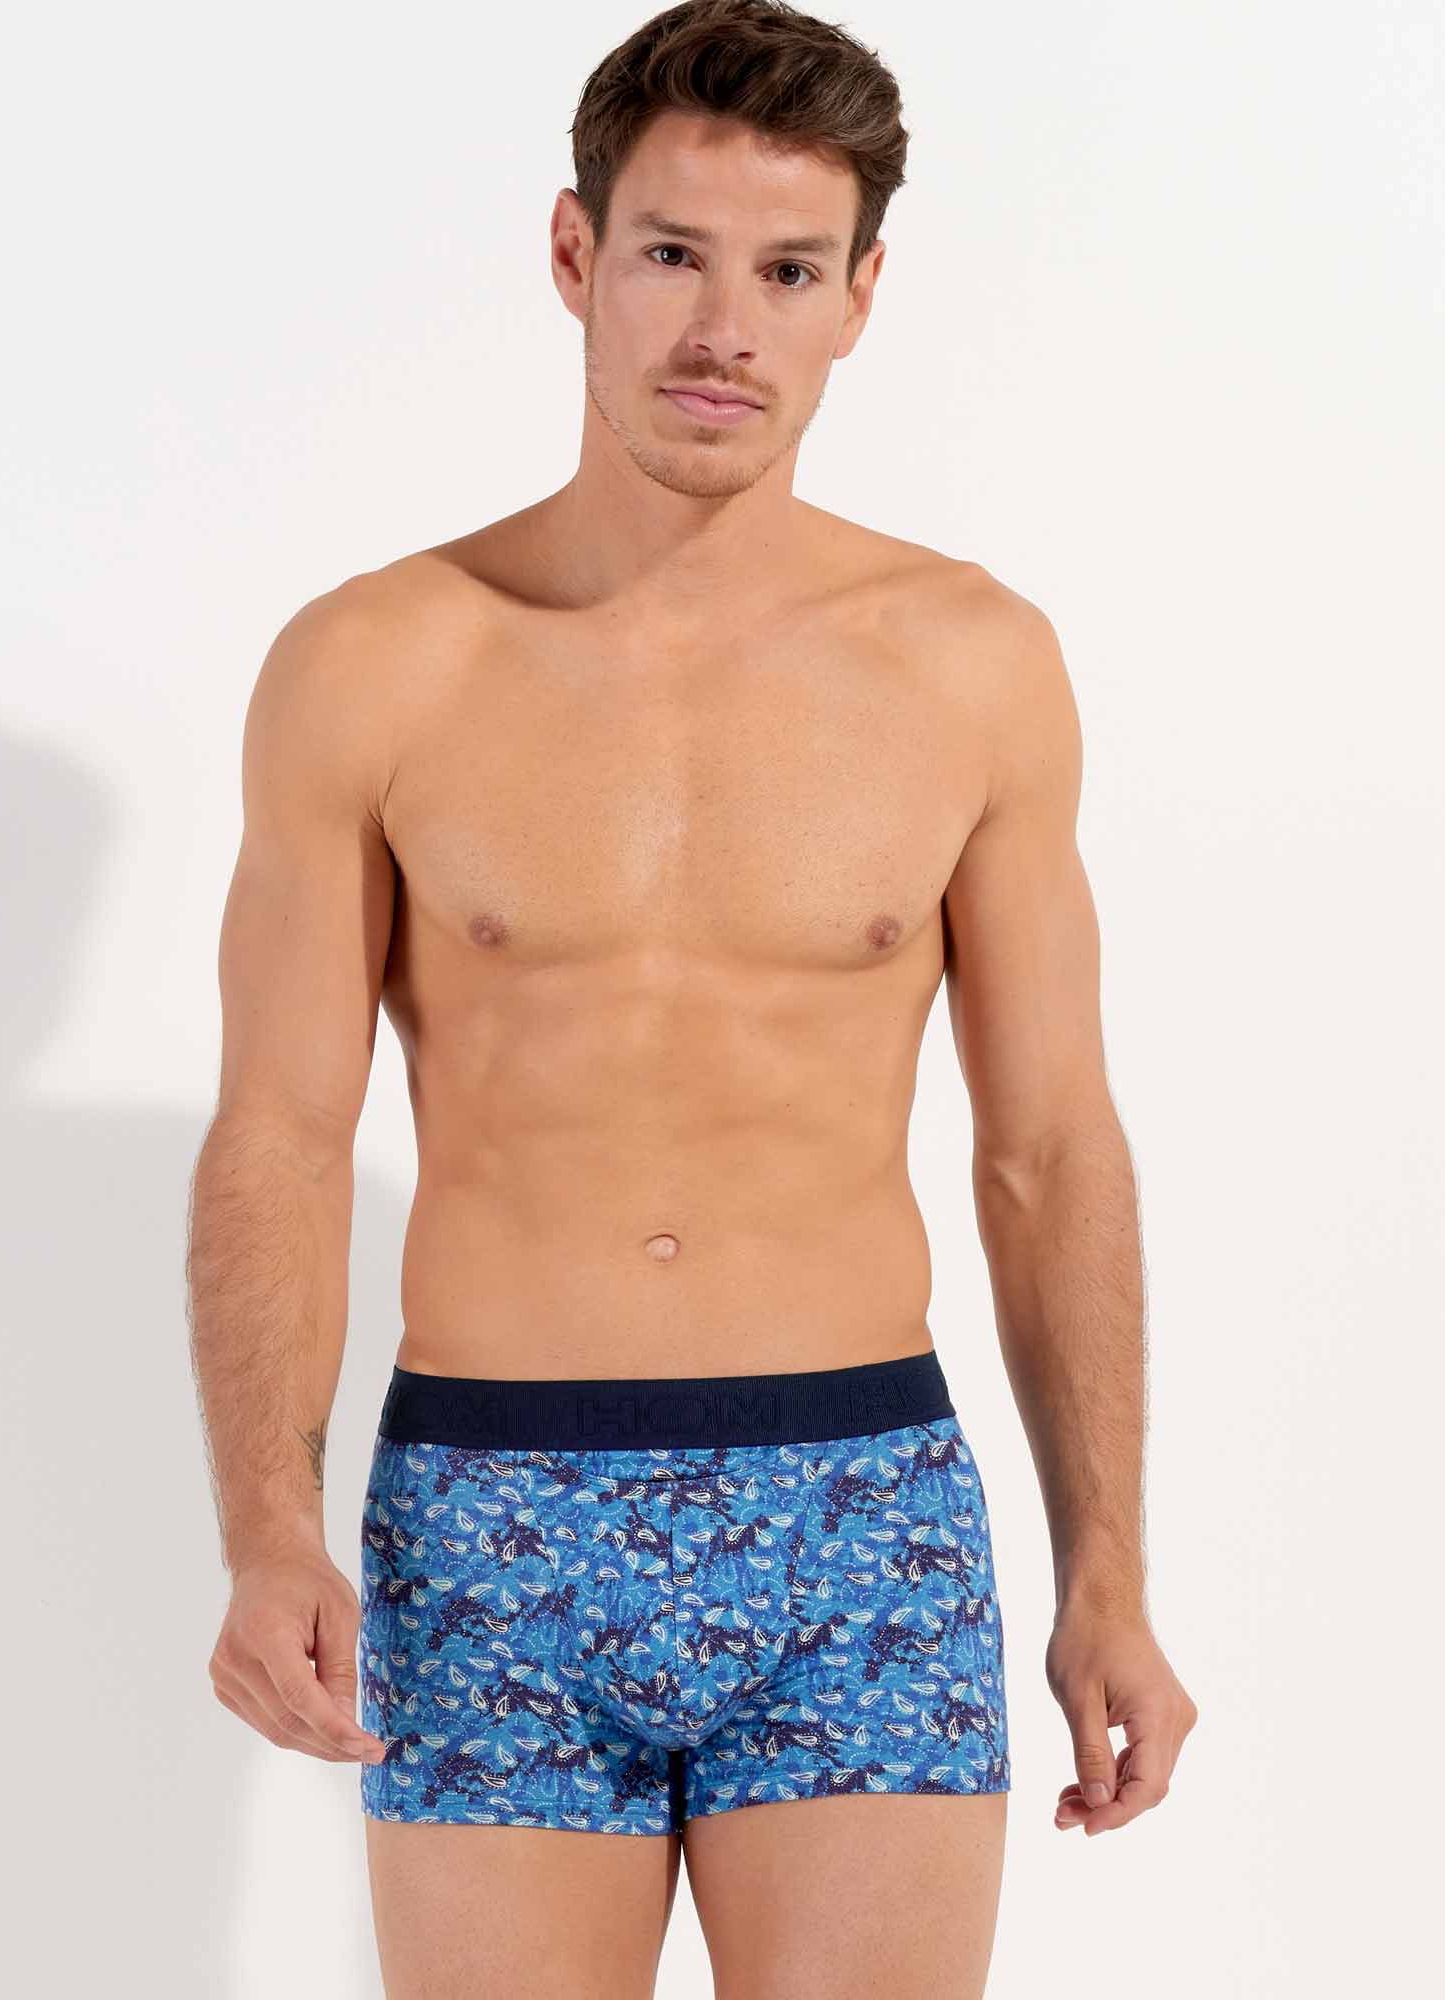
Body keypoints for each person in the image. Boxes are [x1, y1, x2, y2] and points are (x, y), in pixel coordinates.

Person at [186, 1, 1198, 1992]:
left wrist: (1110, 1571)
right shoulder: (375, 663)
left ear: (860, 298)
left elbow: (1049, 1148)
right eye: (672, 253)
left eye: (789, 271)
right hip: (487, 1521)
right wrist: (265, 1530)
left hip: (860, 1519)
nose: (725, 327)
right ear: (575, 253)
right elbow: (283, 1137)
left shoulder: (972, 665)